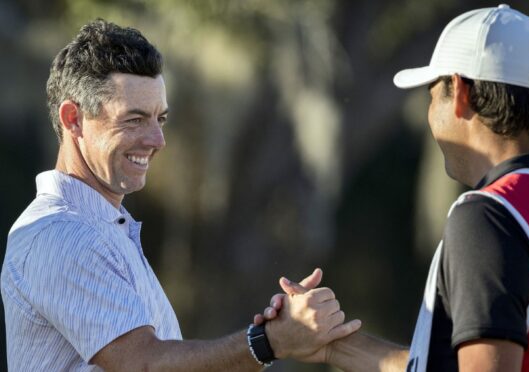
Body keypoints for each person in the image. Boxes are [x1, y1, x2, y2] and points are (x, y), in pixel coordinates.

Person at [257, 4, 529, 371]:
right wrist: (334, 347)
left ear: (460, 91)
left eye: (431, 95)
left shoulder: (490, 216)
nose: (430, 113)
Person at [1, 19, 361, 371]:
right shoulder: (64, 234)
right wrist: (267, 341)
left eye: (160, 119)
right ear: (73, 119)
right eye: (134, 119)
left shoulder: (98, 228)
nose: (157, 140)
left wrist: (277, 336)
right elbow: (143, 365)